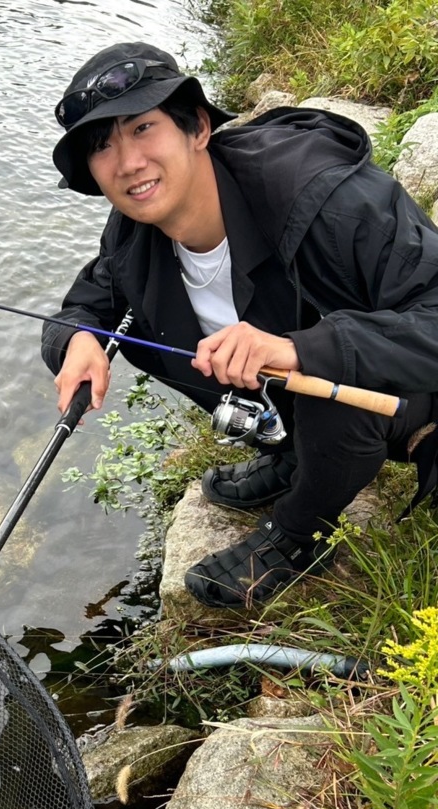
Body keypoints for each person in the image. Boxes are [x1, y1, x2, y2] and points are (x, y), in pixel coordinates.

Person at [41, 41, 438, 608]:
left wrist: (304, 349)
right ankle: (297, 453)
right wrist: (76, 343)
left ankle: (300, 535)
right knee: (142, 337)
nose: (128, 162)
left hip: (414, 390)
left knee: (328, 364)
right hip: (320, 400)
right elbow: (81, 308)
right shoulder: (134, 238)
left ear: (198, 127)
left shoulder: (328, 200)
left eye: (143, 128)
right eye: (102, 145)